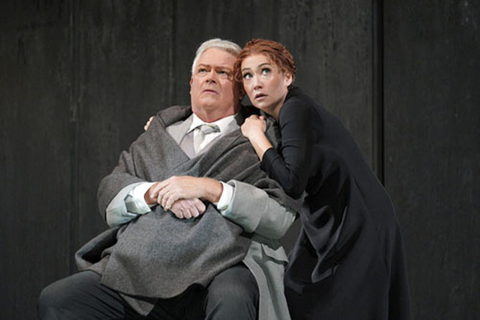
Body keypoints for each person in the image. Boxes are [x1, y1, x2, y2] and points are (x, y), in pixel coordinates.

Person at [37, 38, 300, 320]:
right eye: (203, 70)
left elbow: (280, 215)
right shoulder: (160, 132)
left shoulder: (260, 136)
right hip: (145, 260)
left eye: (223, 73)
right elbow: (111, 187)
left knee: (233, 295)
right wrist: (157, 192)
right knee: (59, 300)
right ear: (191, 83)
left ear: (241, 89)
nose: (211, 77)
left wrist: (213, 190)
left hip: (224, 262)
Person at [235, 39, 411, 319]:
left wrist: (257, 138)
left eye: (265, 71)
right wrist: (169, 119)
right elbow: (231, 115)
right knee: (297, 291)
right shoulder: (281, 110)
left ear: (287, 76)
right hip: (332, 222)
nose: (256, 83)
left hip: (358, 221)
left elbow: (292, 183)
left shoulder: (295, 109)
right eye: (247, 75)